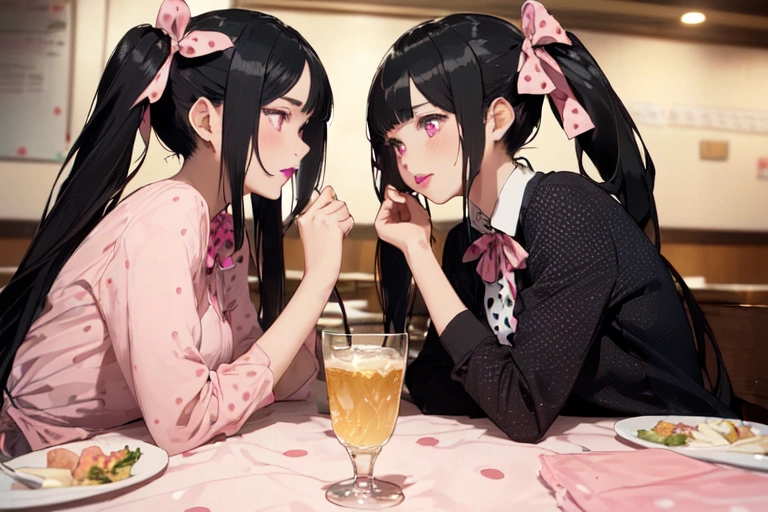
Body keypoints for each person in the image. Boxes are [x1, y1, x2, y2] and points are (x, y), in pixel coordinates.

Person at [366, 0, 737, 443]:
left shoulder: (564, 208)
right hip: (580, 446)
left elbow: (521, 409)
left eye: (429, 124)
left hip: (671, 446)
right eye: (396, 143)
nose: (407, 159)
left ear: (497, 119)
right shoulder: (468, 239)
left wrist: (418, 253)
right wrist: (499, 385)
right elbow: (432, 380)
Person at [0, 0, 353, 457]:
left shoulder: (223, 229)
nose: (302, 148)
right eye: (279, 115)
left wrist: (316, 280)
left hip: (112, 457)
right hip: (35, 465)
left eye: (304, 126)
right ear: (205, 120)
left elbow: (283, 379)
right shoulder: (168, 216)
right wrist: (319, 278)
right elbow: (185, 421)